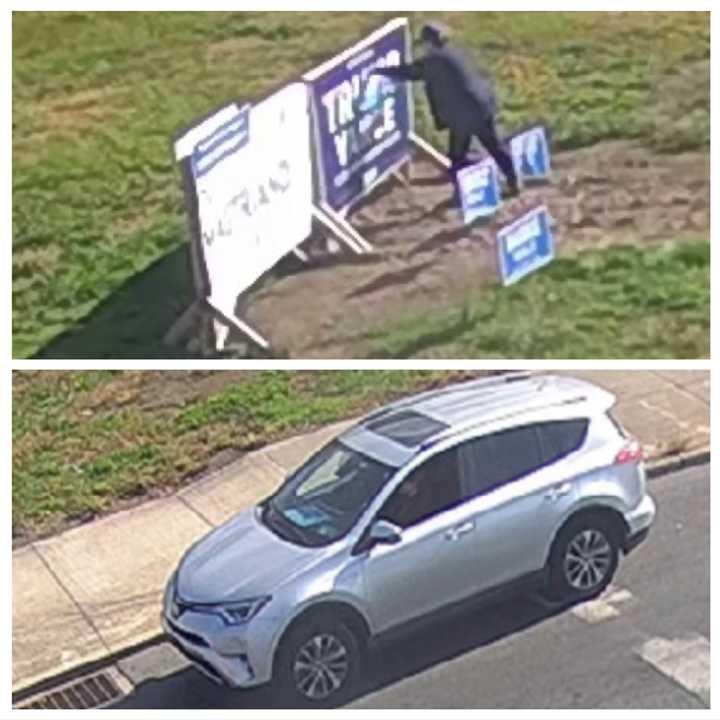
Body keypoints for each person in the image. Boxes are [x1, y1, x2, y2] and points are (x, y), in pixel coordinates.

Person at [372, 22, 520, 197]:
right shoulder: (455, 53)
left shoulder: (435, 62)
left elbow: (411, 72)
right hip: (482, 107)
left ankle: (464, 193)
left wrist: (378, 71)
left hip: (463, 116)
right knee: (494, 147)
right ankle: (513, 182)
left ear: (428, 43)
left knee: (457, 157)